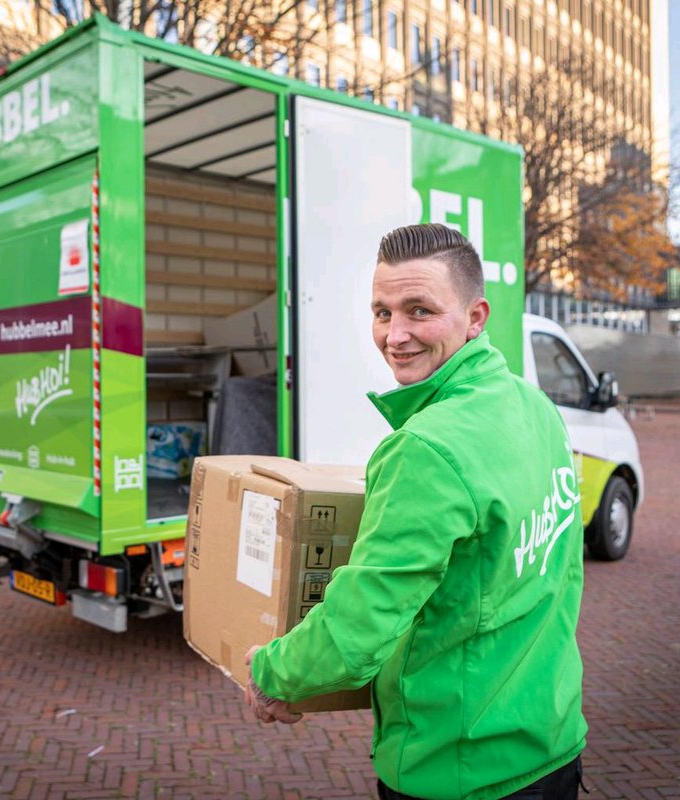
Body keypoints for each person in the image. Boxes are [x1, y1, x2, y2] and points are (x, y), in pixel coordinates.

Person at [244, 224, 587, 800]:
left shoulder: (425, 448)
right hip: (551, 743)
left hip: (460, 766)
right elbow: (560, 572)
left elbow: (358, 629)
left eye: (419, 310)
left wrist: (272, 672)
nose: (395, 335)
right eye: (382, 312)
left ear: (475, 318)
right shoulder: (536, 407)